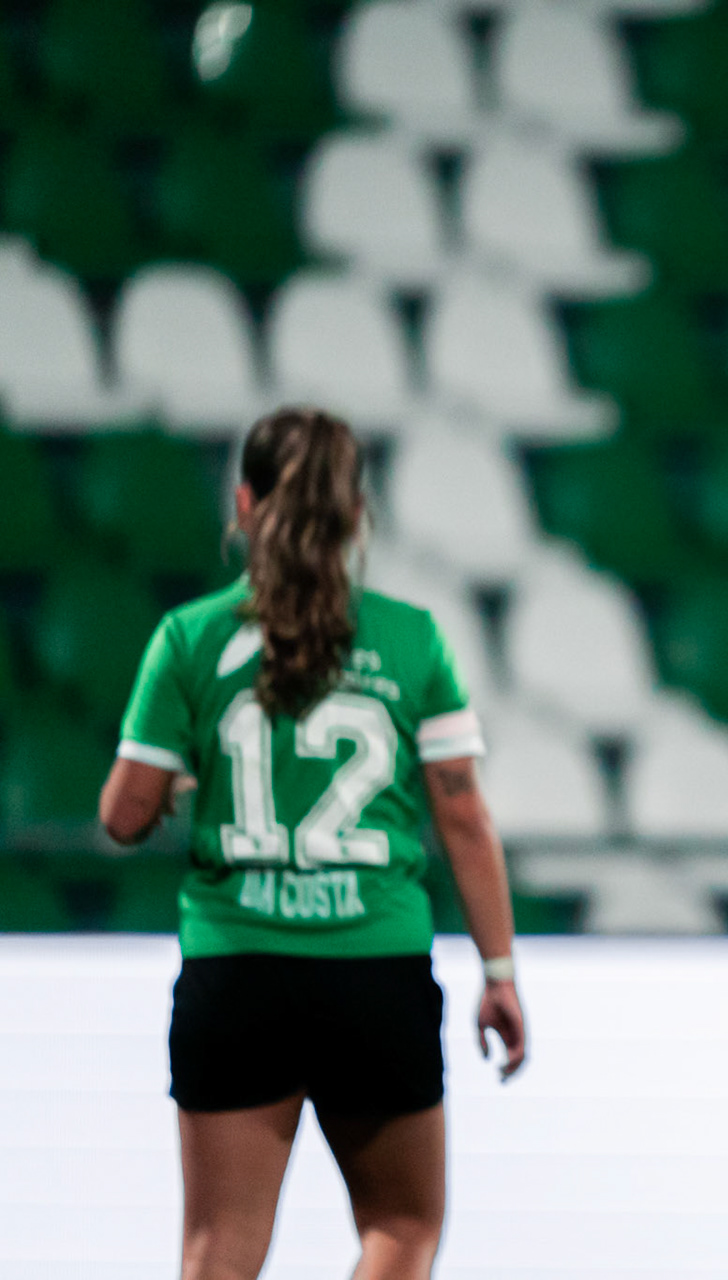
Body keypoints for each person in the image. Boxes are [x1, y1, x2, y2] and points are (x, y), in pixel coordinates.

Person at [98, 408, 527, 1280]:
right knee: (402, 1226)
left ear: (244, 504)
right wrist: (501, 972)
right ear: (356, 515)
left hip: (237, 971)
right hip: (375, 973)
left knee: (220, 1248)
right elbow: (465, 822)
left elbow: (122, 815)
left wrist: (182, 776)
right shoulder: (410, 638)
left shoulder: (190, 638)